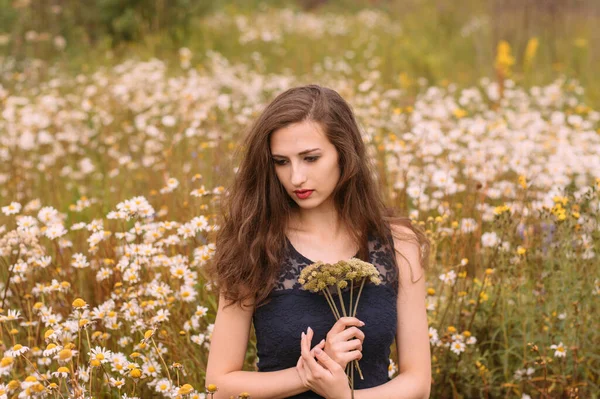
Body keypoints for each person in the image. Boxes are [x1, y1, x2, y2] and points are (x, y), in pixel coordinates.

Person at [205, 85, 431, 399]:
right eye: (281, 162)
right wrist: (309, 373)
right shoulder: (255, 243)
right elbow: (219, 384)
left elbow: (418, 383)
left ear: (345, 153)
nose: (296, 177)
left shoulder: (399, 244)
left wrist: (346, 398)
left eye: (310, 158)